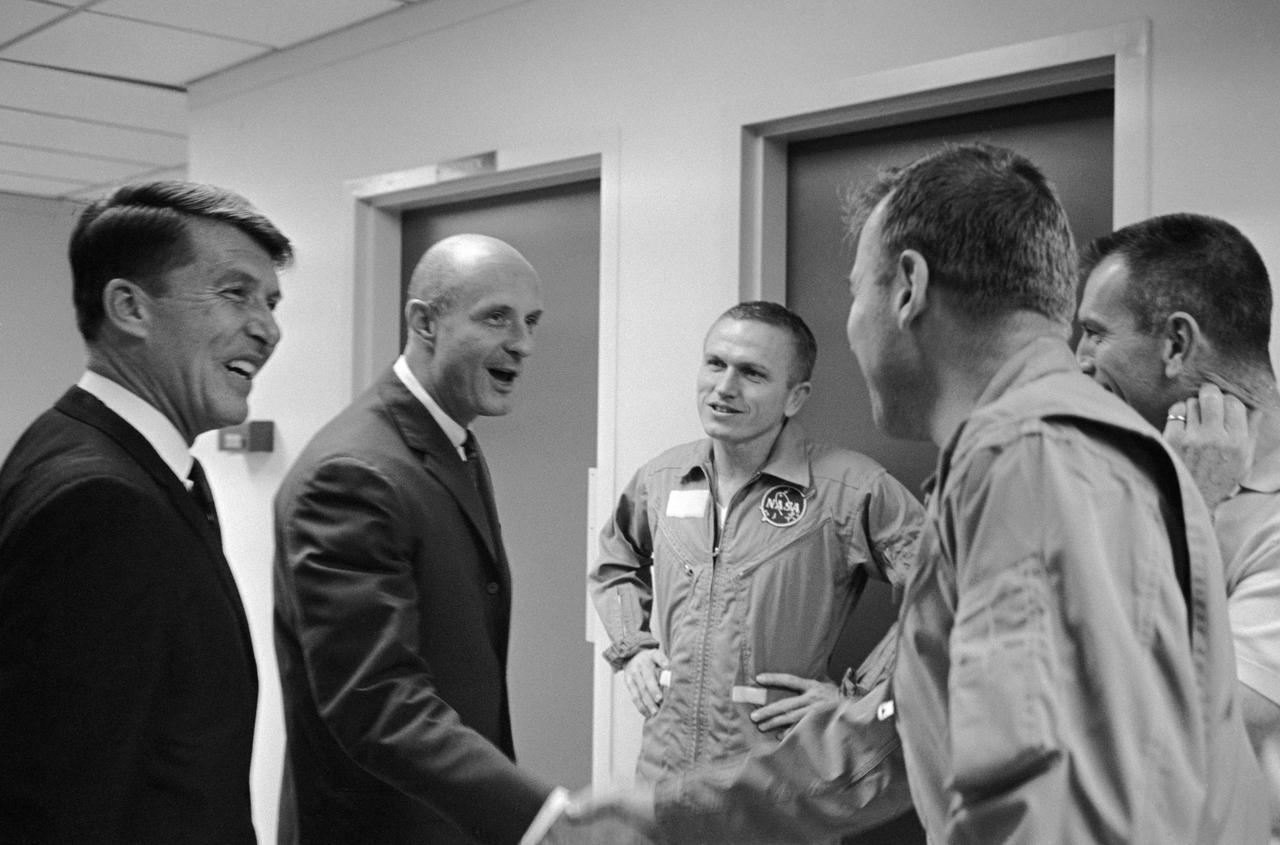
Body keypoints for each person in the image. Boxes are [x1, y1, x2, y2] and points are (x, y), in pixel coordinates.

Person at [545, 143, 1267, 844]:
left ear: (909, 288)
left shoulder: (1031, 459)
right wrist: (666, 811)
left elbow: (1041, 803)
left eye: (856, 290)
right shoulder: (1061, 450)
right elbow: (902, 729)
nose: (854, 324)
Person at [0, 181, 291, 844]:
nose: (267, 328)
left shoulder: (111, 455)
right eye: (235, 293)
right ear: (130, 307)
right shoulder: (101, 503)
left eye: (271, 302)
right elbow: (58, 805)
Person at [273, 234, 566, 845]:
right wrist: (541, 817)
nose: (523, 343)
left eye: (531, 321)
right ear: (424, 322)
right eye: (497, 317)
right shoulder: (354, 472)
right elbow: (376, 700)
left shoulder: (452, 444)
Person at [590, 301, 922, 796]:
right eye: (715, 364)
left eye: (752, 373)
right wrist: (632, 649)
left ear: (795, 397)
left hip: (778, 783)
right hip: (665, 774)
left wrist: (859, 697)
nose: (724, 387)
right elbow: (617, 559)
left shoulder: (849, 489)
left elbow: (953, 589)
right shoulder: (662, 479)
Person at [1076, 212, 1280, 842]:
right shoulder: (1139, 468)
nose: (1077, 361)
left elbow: (1192, 732)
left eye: (1093, 334)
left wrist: (1188, 510)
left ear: (1176, 344)